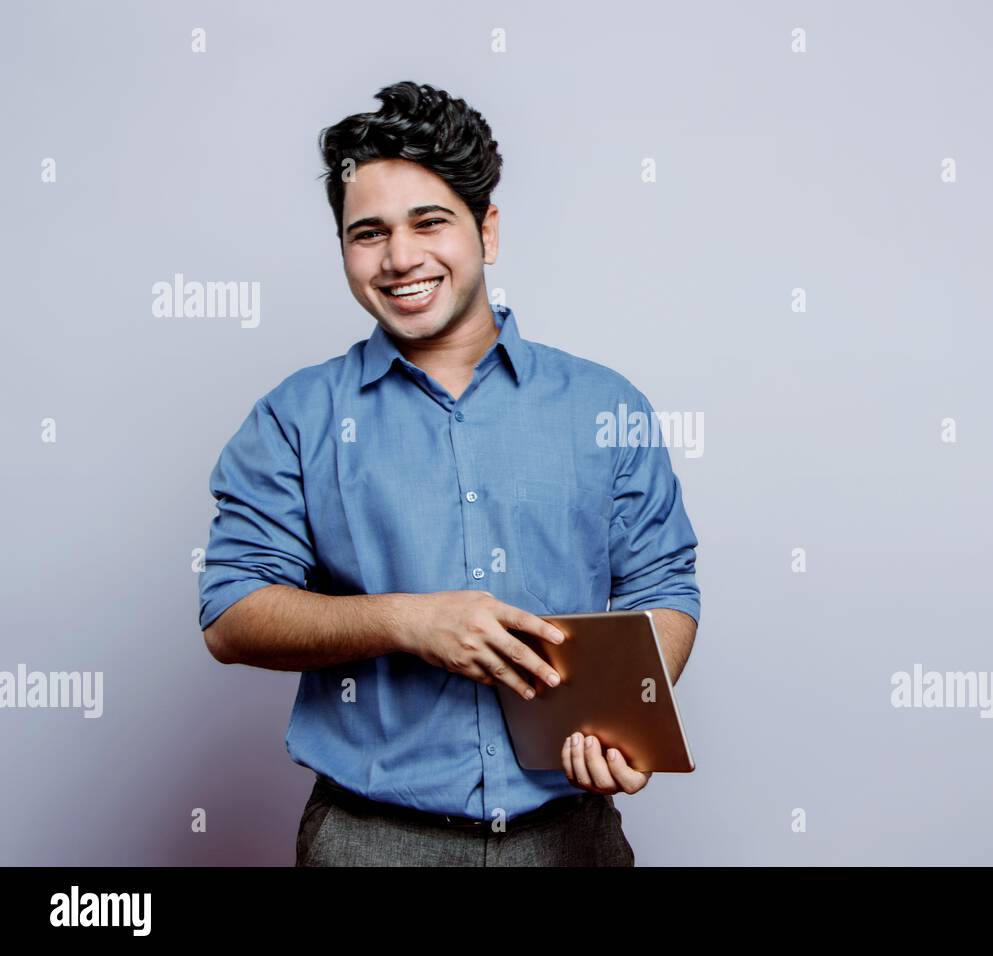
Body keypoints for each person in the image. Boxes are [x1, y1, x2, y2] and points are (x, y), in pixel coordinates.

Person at [197, 81, 701, 867]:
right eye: (369, 232)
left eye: (429, 222)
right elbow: (231, 613)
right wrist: (408, 622)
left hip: (570, 839)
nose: (400, 257)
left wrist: (626, 712)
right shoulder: (293, 418)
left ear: (486, 230)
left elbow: (663, 585)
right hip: (368, 842)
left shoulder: (606, 405)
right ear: (343, 248)